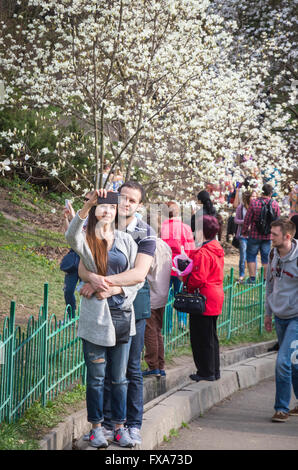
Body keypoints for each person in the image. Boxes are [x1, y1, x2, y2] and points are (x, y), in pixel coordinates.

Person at [78, 181, 157, 446]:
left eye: (132, 201)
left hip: (131, 305)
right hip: (101, 307)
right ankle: (107, 425)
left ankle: (132, 425)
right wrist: (90, 276)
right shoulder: (101, 223)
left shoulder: (144, 232)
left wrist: (103, 283)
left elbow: (138, 273)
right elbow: (80, 260)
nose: (125, 204)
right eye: (121, 198)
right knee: (103, 372)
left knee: (129, 369)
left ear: (139, 206)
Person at [65, 190, 143, 448]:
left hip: (122, 317)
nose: (107, 211)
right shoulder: (87, 240)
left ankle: (120, 428)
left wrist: (113, 287)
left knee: (119, 377)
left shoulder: (126, 241)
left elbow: (136, 279)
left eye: (111, 207)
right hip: (96, 319)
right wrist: (87, 204)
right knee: (96, 378)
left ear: (117, 211)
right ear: (96, 212)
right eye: (102, 207)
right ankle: (97, 428)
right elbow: (70, 236)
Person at [264, 217, 298, 422]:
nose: (270, 237)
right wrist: (268, 313)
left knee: (283, 361)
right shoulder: (272, 254)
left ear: (287, 236)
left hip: (296, 318)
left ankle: (281, 408)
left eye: (274, 234)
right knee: (294, 363)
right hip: (280, 316)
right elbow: (270, 285)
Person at [185, 215, 225, 382]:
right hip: (215, 295)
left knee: (200, 337)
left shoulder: (203, 252)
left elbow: (198, 278)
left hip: (204, 297)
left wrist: (186, 282)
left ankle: (205, 370)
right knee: (211, 336)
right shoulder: (217, 249)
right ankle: (213, 370)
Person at [161, 201, 195, 329]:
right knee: (181, 295)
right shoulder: (185, 228)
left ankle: (168, 325)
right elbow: (191, 250)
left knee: (167, 297)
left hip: (165, 267)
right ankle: (182, 321)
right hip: (182, 268)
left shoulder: (162, 227)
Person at [143, 236, 172, 377]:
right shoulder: (165, 245)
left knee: (149, 331)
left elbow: (145, 268)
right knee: (157, 331)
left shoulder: (148, 245)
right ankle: (160, 365)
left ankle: (153, 365)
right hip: (163, 294)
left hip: (151, 294)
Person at [242, 183, 280, 283]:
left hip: (254, 234)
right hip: (268, 235)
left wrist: (245, 232)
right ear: (271, 193)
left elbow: (247, 219)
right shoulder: (275, 204)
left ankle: (252, 279)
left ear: (262, 191)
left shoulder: (254, 203)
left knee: (251, 256)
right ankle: (265, 280)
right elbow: (278, 221)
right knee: (266, 258)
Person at [62, 193, 92, 317]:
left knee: (86, 291)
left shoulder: (97, 218)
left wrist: (75, 217)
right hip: (74, 258)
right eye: (85, 199)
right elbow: (70, 234)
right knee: (68, 290)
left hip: (87, 260)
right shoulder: (82, 216)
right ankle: (71, 317)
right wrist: (65, 218)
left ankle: (85, 318)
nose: (86, 201)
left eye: (89, 199)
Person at [234, 190, 257, 282]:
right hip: (243, 235)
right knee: (243, 256)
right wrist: (245, 222)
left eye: (256, 196)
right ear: (248, 197)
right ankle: (241, 275)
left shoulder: (257, 207)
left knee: (253, 256)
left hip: (253, 236)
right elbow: (236, 220)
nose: (255, 198)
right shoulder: (241, 207)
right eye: (253, 196)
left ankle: (253, 276)